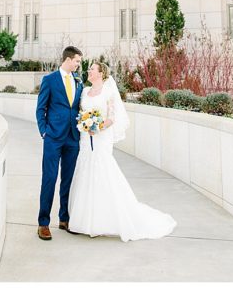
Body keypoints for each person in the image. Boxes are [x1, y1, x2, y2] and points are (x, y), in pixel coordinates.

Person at [67, 61, 177, 241]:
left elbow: (112, 118)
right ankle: (84, 220)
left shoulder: (108, 93)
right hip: (86, 139)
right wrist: (84, 124)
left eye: (92, 69)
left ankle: (102, 221)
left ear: (101, 73)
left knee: (102, 172)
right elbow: (81, 112)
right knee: (85, 171)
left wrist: (97, 126)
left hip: (101, 138)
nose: (89, 71)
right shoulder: (85, 92)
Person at [35, 46, 84, 240]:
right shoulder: (50, 80)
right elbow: (41, 108)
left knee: (68, 179)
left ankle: (64, 218)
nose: (79, 64)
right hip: (53, 137)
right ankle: (43, 223)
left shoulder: (78, 81)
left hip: (73, 137)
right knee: (49, 178)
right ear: (68, 59)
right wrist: (44, 132)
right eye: (77, 61)